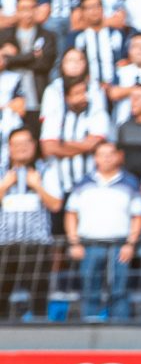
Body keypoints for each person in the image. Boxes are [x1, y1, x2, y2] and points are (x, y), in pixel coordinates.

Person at [64, 141, 141, 321]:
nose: (107, 157)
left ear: (118, 156)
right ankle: (89, 327)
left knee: (120, 290)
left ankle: (121, 329)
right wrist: (74, 242)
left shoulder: (130, 182)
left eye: (111, 153)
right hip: (89, 244)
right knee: (89, 288)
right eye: (102, 154)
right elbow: (71, 214)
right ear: (95, 158)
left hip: (120, 244)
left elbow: (138, 216)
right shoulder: (83, 183)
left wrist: (131, 243)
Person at [0, 127, 62, 319]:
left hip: (36, 244)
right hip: (4, 244)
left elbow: (56, 204)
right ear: (9, 147)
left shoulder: (46, 170)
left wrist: (37, 186)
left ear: (34, 146)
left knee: (38, 295)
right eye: (16, 144)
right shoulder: (2, 172)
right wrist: (4, 186)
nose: (21, 148)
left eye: (26, 143)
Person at [39, 74, 109, 201]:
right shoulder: (56, 116)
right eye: (77, 93)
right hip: (60, 186)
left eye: (84, 92)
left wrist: (62, 144)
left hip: (90, 186)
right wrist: (84, 145)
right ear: (67, 97)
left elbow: (95, 145)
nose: (83, 97)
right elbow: (48, 149)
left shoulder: (97, 113)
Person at [0, 0, 57, 134]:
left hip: (37, 96)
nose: (28, 13)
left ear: (37, 10)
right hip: (8, 101)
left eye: (32, 8)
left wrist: (11, 59)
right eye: (23, 8)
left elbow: (44, 64)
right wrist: (32, 55)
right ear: (16, 10)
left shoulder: (48, 36)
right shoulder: (4, 35)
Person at [69, 0, 125, 88]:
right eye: (89, 8)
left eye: (96, 6)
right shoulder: (76, 37)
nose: (94, 11)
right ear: (82, 12)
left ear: (102, 8)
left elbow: (126, 59)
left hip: (116, 87)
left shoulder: (116, 34)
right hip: (87, 89)